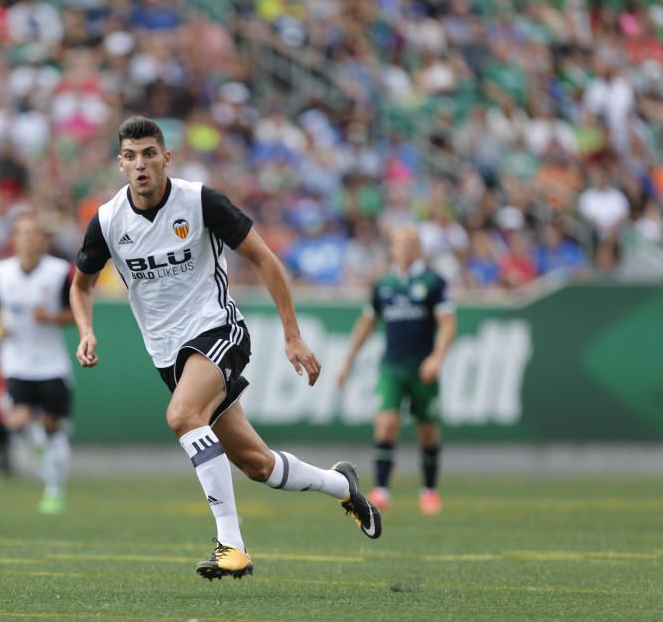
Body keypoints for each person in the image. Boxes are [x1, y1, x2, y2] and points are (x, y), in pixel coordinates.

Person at [70, 116, 381, 580]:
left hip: (218, 330)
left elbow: (265, 259)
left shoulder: (200, 201)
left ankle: (231, 545)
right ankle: (341, 484)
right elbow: (81, 286)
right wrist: (85, 330)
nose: (141, 165)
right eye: (131, 156)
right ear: (120, 163)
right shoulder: (109, 220)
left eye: (149, 154)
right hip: (169, 355)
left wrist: (292, 335)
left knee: (181, 417)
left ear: (165, 158)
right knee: (257, 465)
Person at [336, 225, 456, 515]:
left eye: (410, 244)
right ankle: (382, 490)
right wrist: (347, 361)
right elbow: (367, 324)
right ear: (392, 249)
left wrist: (437, 357)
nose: (404, 249)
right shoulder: (383, 284)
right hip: (392, 366)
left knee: (427, 431)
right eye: (399, 244)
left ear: (418, 249)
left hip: (422, 368)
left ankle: (429, 491)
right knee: (386, 425)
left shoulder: (433, 282)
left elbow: (448, 322)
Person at [0, 212, 75, 514]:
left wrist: (50, 317)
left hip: (51, 365)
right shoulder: (0, 272)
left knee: (53, 428)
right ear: (14, 239)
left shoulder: (59, 272)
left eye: (33, 232)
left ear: (42, 240)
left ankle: (54, 490)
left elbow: (74, 313)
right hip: (17, 362)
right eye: (21, 232)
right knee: (17, 420)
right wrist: (0, 323)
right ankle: (40, 440)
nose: (27, 238)